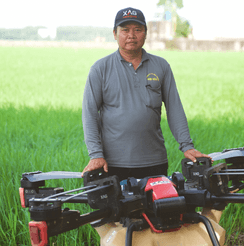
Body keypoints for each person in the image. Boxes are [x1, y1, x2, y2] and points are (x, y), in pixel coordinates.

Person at [81, 7, 210, 181]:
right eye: (125, 30)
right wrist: (96, 154)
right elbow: (89, 113)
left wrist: (187, 146)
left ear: (146, 33)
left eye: (138, 29)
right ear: (114, 33)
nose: (131, 35)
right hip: (112, 164)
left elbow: (174, 108)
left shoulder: (161, 66)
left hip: (154, 162)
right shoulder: (100, 69)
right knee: (118, 209)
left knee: (157, 208)